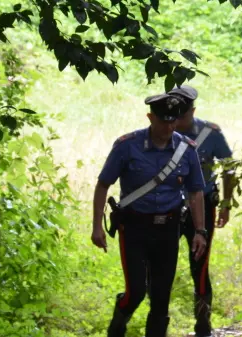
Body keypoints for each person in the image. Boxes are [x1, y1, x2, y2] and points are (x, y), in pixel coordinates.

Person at [90, 92, 209, 337]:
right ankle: (117, 328)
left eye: (173, 121)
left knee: (161, 296)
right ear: (150, 117)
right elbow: (103, 184)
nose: (168, 126)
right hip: (134, 228)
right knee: (135, 292)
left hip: (168, 229)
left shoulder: (186, 150)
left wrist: (200, 230)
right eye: (163, 120)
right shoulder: (127, 145)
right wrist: (96, 227)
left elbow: (196, 191)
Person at [169, 85, 235, 337]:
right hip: (168, 206)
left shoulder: (210, 133)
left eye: (182, 116)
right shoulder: (162, 132)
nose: (177, 121)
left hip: (203, 205)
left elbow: (229, 168)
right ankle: (158, 319)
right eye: (173, 114)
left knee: (201, 265)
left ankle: (203, 324)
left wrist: (227, 204)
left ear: (193, 111)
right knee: (160, 262)